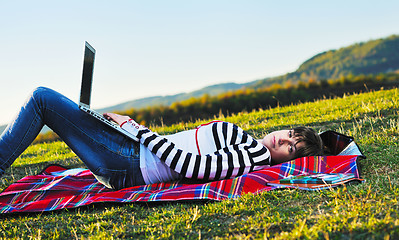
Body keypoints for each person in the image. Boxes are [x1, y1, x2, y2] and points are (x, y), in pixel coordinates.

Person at [0, 87, 323, 190]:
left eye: (291, 149)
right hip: (129, 150)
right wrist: (129, 130)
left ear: (289, 160)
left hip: (127, 161)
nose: (282, 141)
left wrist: (138, 130)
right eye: (289, 134)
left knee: (41, 98)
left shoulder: (253, 155)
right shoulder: (252, 146)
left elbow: (194, 167)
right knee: (52, 102)